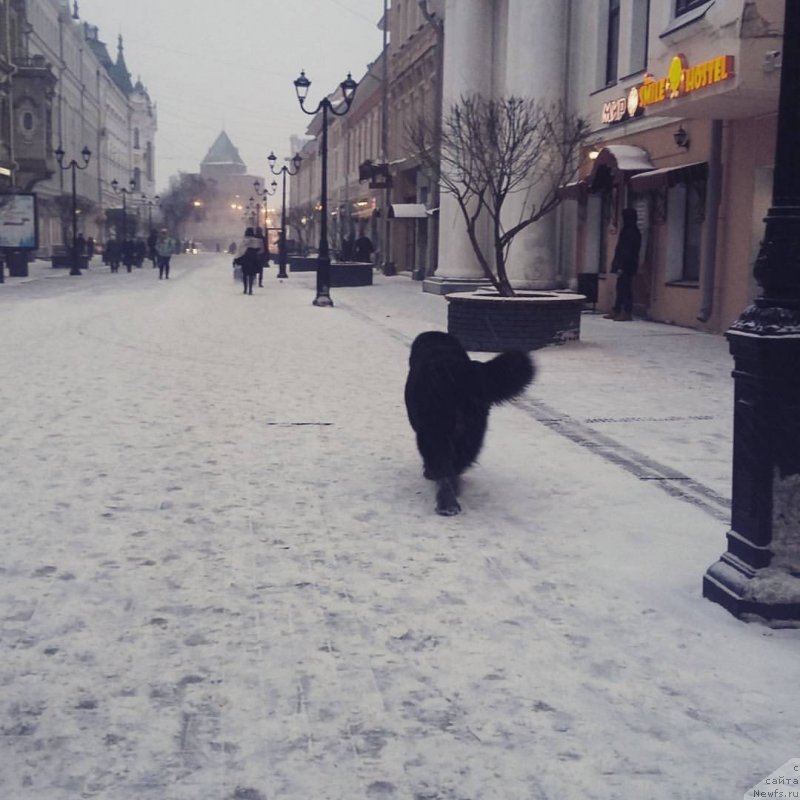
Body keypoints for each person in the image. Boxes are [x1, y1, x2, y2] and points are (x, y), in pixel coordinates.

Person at [605, 208, 641, 322]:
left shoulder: (631, 232)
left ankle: (626, 312)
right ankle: (617, 310)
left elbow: (626, 251)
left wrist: (620, 266)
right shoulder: (629, 230)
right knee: (620, 287)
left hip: (626, 265)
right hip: (626, 264)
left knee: (625, 289)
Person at [234, 227, 264, 295]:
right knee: (251, 274)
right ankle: (250, 289)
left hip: (245, 259)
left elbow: (239, 251)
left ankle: (245, 289)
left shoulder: (244, 241)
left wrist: (236, 259)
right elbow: (261, 250)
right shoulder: (257, 241)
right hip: (253, 259)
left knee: (245, 274)